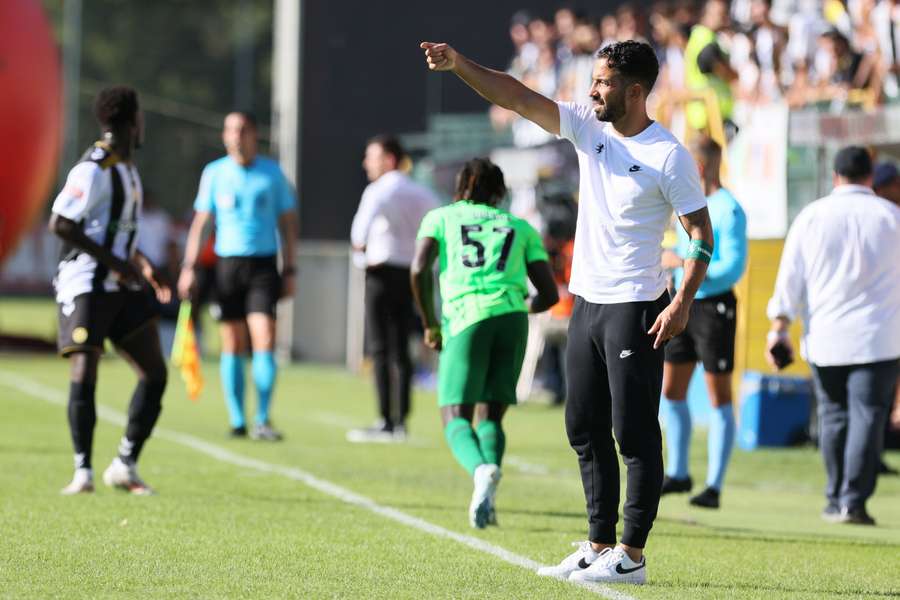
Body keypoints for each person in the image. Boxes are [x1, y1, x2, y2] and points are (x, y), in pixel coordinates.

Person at [420, 39, 712, 584]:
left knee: (634, 432)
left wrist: (681, 302)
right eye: (593, 80)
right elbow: (516, 97)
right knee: (583, 426)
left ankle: (632, 555)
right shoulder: (588, 126)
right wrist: (461, 64)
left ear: (634, 91)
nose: (592, 90)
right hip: (587, 303)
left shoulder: (668, 155)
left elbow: (701, 235)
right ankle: (599, 543)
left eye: (602, 82)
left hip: (636, 305)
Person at [410, 158, 558, 529]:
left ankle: (481, 470)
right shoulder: (520, 227)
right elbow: (550, 294)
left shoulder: (441, 217)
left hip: (466, 318)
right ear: (499, 193)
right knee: (491, 415)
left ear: (460, 187)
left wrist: (430, 323)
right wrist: (522, 306)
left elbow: (418, 269)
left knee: (454, 415)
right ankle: (488, 493)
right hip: (511, 320)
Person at [766, 146, 900, 525]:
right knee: (867, 417)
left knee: (834, 416)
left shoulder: (812, 216)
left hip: (826, 337)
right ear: (870, 176)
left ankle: (833, 496)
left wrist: (779, 327)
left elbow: (789, 279)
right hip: (879, 338)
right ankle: (852, 501)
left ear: (835, 176)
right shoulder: (892, 217)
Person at [49, 86, 170, 496]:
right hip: (86, 283)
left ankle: (124, 463)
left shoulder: (129, 169)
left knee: (155, 373)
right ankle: (82, 471)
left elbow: (118, 235)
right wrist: (117, 263)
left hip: (122, 284)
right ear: (130, 120)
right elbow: (61, 223)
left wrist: (145, 266)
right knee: (85, 367)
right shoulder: (93, 167)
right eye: (141, 116)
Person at [178, 111, 298, 441]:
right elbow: (202, 223)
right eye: (231, 130)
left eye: (243, 130)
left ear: (254, 135)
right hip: (227, 265)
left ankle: (262, 418)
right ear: (224, 136)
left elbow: (288, 223)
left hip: (262, 265)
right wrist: (188, 268)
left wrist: (290, 268)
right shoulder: (214, 173)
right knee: (232, 341)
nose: (236, 136)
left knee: (265, 337)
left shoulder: (271, 174)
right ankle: (236, 419)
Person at [660, 135, 747, 509]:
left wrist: (686, 267)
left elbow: (732, 267)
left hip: (713, 307)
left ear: (699, 166)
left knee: (718, 395)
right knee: (671, 391)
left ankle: (714, 485)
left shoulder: (729, 209)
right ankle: (678, 472)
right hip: (684, 303)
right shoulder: (687, 204)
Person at [347, 135, 438, 443]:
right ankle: (402, 421)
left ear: (388, 159)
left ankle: (386, 419)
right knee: (402, 347)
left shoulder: (378, 190)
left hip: (381, 271)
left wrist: (360, 253)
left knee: (380, 346)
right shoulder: (421, 192)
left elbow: (359, 232)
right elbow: (437, 223)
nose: (366, 163)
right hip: (411, 271)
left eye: (371, 157)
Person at [684, 0, 738, 134]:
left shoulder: (698, 36)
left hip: (702, 113)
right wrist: (733, 75)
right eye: (720, 13)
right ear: (706, 14)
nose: (724, 17)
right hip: (710, 114)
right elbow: (711, 63)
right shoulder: (705, 37)